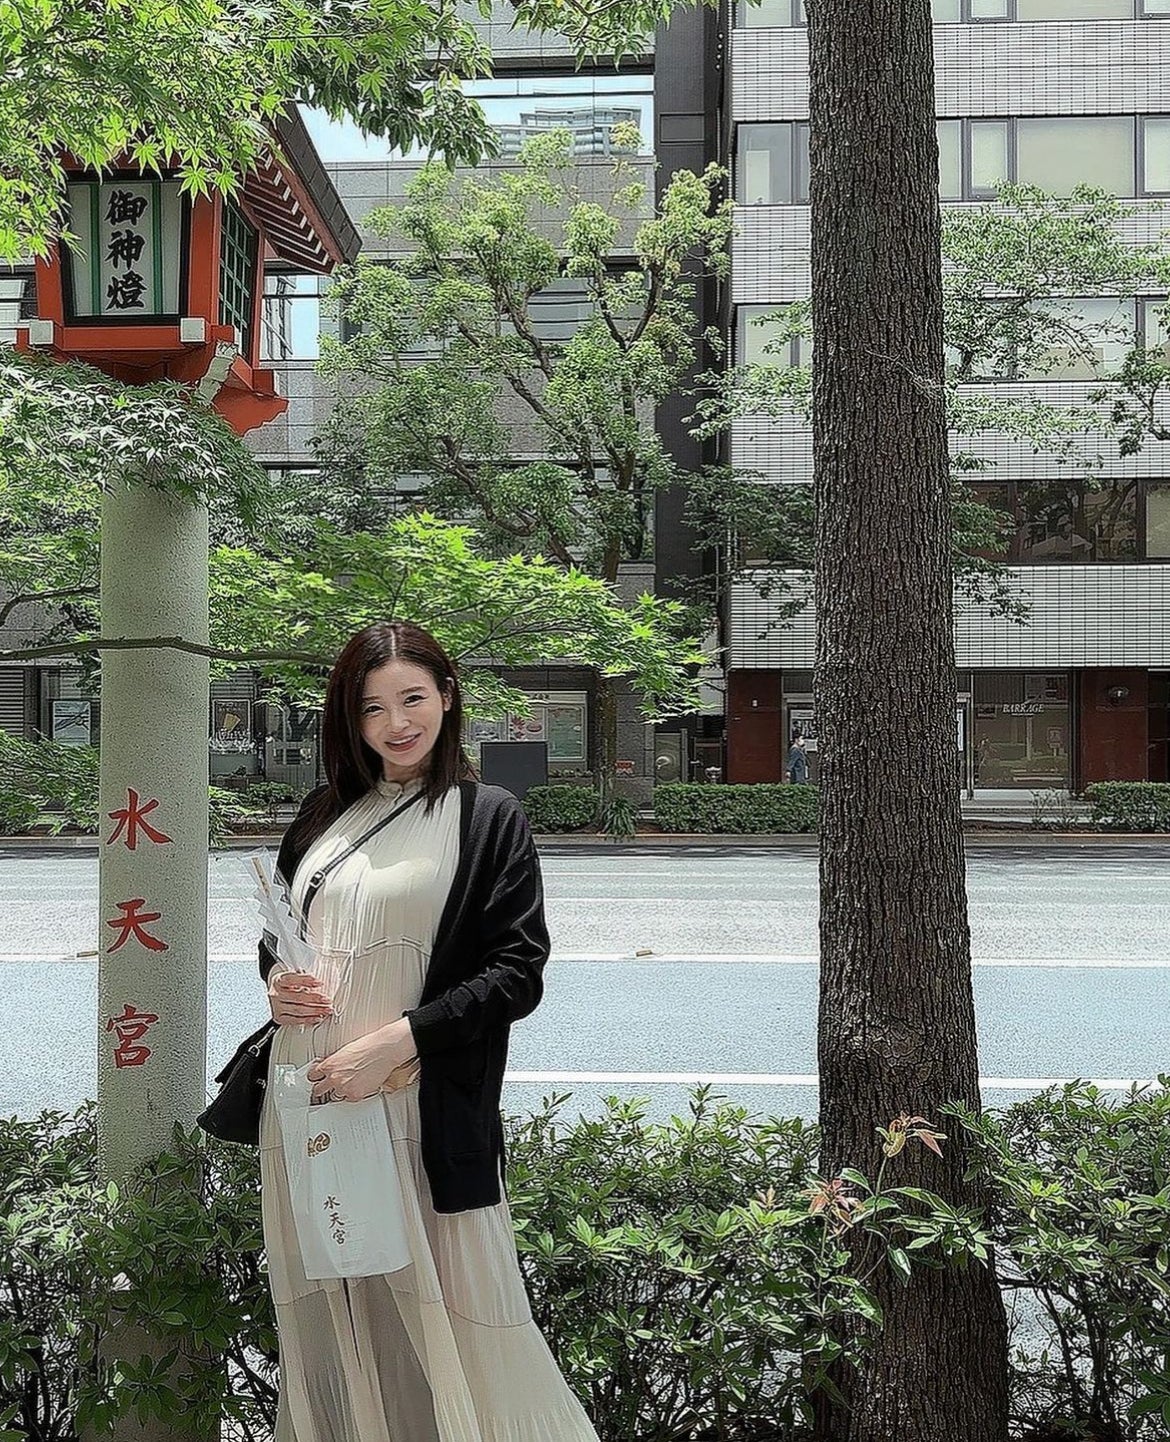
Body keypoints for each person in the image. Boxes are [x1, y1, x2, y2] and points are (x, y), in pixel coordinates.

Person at [258, 619, 601, 1442]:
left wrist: (397, 1041)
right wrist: (276, 984)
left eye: (412, 698)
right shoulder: (322, 814)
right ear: (350, 719)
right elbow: (281, 933)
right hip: (312, 1102)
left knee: (461, 1313)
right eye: (372, 707)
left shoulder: (486, 818)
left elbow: (517, 971)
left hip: (418, 1105)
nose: (396, 723)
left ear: (447, 697)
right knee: (340, 1311)